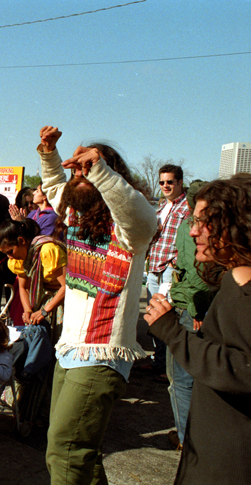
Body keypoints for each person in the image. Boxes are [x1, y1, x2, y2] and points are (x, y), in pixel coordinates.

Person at [38, 126, 157, 484]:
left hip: (102, 354)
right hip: (68, 350)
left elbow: (142, 215)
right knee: (83, 457)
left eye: (89, 168)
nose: (82, 174)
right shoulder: (76, 216)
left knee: (65, 452)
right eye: (78, 169)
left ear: (110, 173)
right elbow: (56, 187)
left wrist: (99, 170)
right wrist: (49, 154)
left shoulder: (130, 230)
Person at [145, 174, 251, 484]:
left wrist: (172, 333)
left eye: (204, 222)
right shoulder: (233, 281)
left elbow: (243, 369)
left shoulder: (244, 294)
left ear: (235, 225)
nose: (193, 231)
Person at [160, 180, 217, 450]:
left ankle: (186, 439)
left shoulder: (188, 226)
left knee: (180, 380)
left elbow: (195, 271)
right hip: (199, 304)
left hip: (191, 307)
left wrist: (197, 309)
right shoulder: (201, 226)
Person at [140, 164, 190, 381]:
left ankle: (170, 370)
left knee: (167, 316)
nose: (165, 186)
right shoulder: (161, 207)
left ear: (180, 182)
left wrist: (175, 263)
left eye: (170, 182)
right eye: (162, 182)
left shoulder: (188, 207)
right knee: (154, 316)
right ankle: (159, 363)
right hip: (154, 267)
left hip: (170, 269)